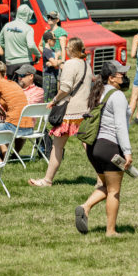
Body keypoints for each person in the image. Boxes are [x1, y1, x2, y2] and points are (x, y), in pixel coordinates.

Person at [76, 61, 133, 237]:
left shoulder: (97, 92)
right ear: (111, 77)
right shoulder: (117, 96)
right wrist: (127, 151)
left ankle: (85, 207)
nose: (124, 76)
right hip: (110, 147)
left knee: (106, 186)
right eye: (120, 74)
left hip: (93, 148)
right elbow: (120, 126)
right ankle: (111, 231)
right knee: (114, 191)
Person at [30, 37, 92, 187]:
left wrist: (54, 100)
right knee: (89, 146)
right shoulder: (86, 64)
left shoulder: (70, 64)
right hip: (85, 109)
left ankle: (47, 180)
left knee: (57, 147)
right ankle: (101, 177)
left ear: (70, 50)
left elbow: (65, 88)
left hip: (70, 111)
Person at [0, 4, 41, 77]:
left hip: (10, 62)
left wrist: (8, 47)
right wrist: (38, 55)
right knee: (25, 86)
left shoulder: (7, 26)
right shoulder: (28, 28)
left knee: (11, 86)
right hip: (25, 62)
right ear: (27, 15)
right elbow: (31, 45)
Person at [41, 31, 62, 102]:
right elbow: (56, 64)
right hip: (49, 78)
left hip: (54, 76)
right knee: (48, 98)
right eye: (54, 40)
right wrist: (56, 57)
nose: (55, 42)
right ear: (49, 41)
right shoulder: (46, 51)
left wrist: (55, 62)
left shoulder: (52, 50)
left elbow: (58, 63)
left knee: (54, 96)